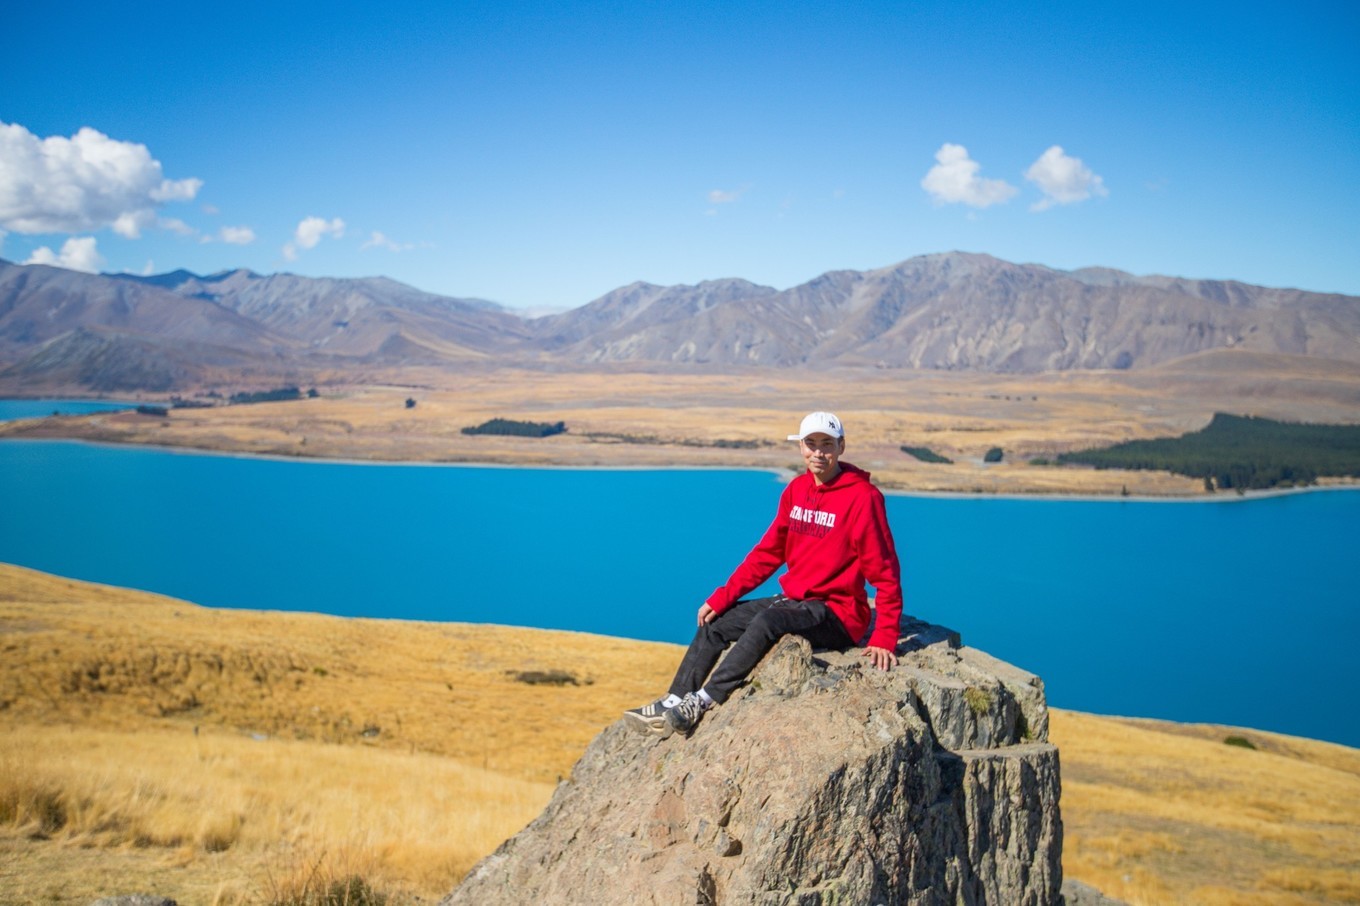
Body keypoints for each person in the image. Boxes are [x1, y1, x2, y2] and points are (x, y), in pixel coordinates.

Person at [625, 411, 903, 739]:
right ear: (800, 447)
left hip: (837, 613)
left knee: (769, 622)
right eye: (811, 444)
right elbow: (768, 553)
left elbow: (885, 571)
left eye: (827, 444)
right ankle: (675, 698)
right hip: (796, 601)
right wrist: (724, 596)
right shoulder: (796, 490)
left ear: (841, 447)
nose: (818, 452)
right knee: (715, 622)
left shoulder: (863, 498)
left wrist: (885, 635)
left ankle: (702, 701)